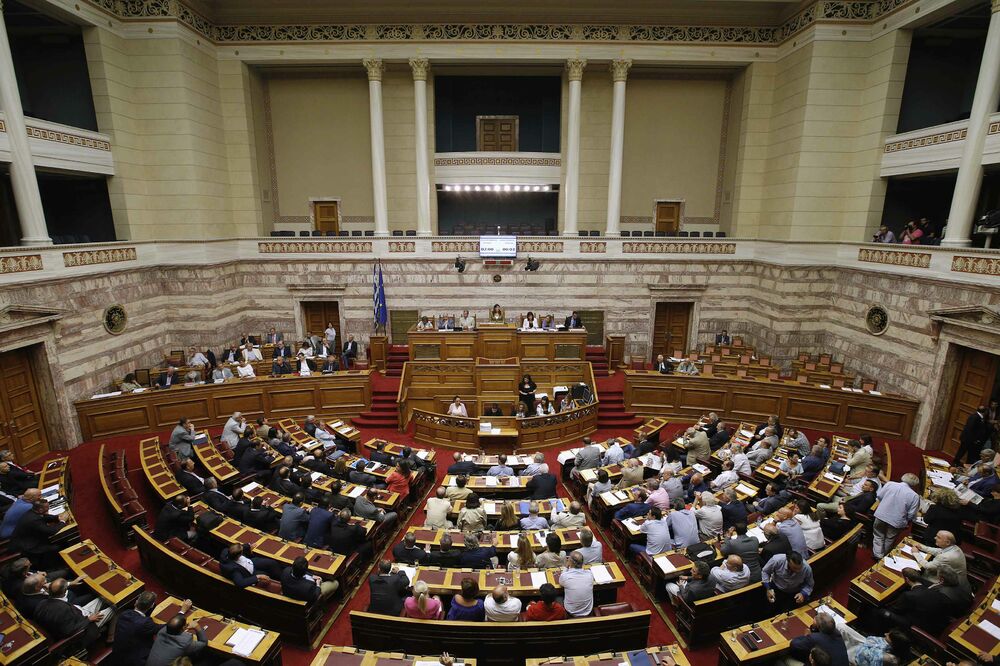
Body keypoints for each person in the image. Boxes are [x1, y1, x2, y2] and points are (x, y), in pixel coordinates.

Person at [109, 592, 179, 666]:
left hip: (117, 654)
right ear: (152, 605)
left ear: (136, 602)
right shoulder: (145, 623)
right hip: (134, 661)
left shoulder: (125, 613)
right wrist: (181, 612)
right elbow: (167, 627)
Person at [872, 473, 920, 558]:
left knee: (878, 535)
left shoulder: (890, 484)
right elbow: (911, 514)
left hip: (881, 515)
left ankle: (878, 555)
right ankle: (883, 556)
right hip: (897, 520)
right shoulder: (914, 496)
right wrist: (906, 521)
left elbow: (879, 496)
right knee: (889, 538)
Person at [559, 551, 595, 617]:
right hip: (588, 611)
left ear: (570, 562)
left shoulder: (565, 576)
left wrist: (566, 567)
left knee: (558, 597)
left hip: (571, 611)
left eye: (569, 559)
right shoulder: (589, 574)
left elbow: (561, 583)